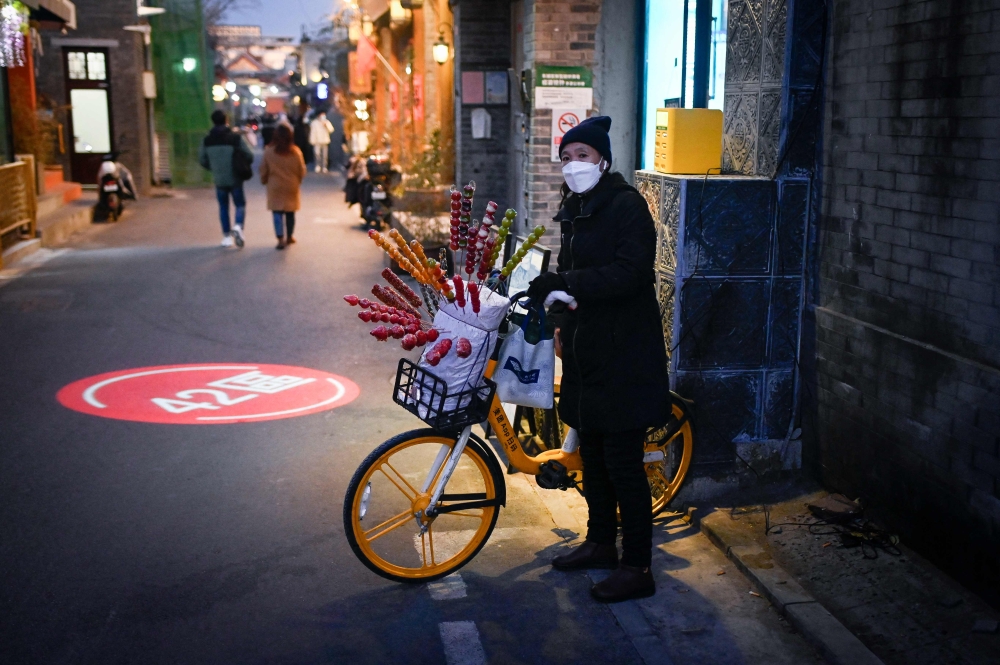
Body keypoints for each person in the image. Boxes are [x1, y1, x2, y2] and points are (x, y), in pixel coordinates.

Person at [526, 116, 670, 604]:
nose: (573, 166)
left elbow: (631, 273)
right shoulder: (577, 208)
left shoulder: (627, 206)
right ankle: (600, 544)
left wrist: (569, 286)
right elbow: (573, 274)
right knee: (596, 459)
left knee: (624, 463)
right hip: (589, 349)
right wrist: (562, 322)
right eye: (566, 159)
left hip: (625, 350)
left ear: (603, 160)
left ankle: (638, 567)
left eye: (582, 156)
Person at [199, 110, 254, 248]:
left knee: (223, 207)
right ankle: (238, 225)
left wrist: (214, 168)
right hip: (235, 178)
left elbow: (202, 159)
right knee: (240, 204)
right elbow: (249, 155)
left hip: (219, 179)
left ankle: (226, 237)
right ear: (226, 120)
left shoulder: (207, 140)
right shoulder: (235, 138)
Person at [259, 122, 306, 250]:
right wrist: (298, 180)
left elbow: (263, 168)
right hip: (291, 185)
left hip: (275, 186)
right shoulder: (295, 152)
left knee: (277, 212)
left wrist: (264, 180)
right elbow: (301, 169)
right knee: (290, 213)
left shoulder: (269, 151)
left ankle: (280, 239)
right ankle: (290, 236)